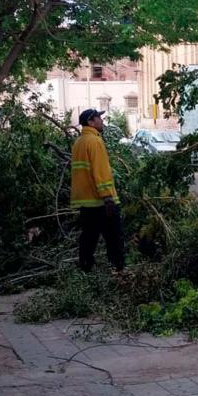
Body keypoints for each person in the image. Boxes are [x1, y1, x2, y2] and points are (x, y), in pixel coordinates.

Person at [70, 108, 125, 273]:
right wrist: (108, 197)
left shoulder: (79, 142)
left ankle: (85, 269)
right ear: (90, 122)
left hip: (86, 202)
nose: (102, 121)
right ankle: (118, 269)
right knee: (114, 237)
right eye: (98, 118)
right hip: (101, 201)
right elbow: (100, 171)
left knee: (88, 237)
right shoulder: (94, 142)